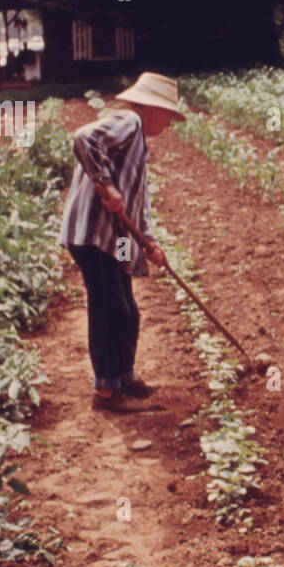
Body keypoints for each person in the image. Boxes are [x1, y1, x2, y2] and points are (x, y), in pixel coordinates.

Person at [58, 72, 184, 413]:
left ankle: (124, 377)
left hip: (116, 240)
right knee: (108, 309)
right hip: (93, 235)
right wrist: (104, 184)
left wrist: (150, 245)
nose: (169, 124)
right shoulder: (130, 121)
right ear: (153, 109)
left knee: (126, 309)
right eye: (169, 115)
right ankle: (106, 393)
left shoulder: (138, 141)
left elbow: (137, 204)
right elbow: (84, 138)